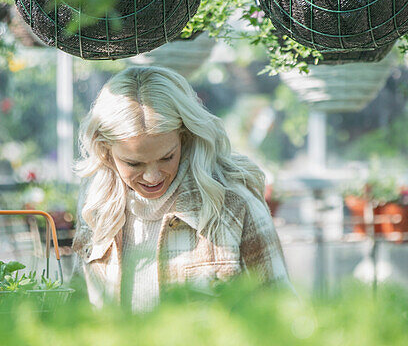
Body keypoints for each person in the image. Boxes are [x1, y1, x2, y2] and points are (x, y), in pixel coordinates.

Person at [73, 66, 290, 311]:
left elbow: (281, 307)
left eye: (167, 157)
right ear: (105, 150)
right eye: (134, 163)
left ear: (184, 137)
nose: (152, 176)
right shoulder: (97, 202)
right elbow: (78, 307)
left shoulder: (233, 202)